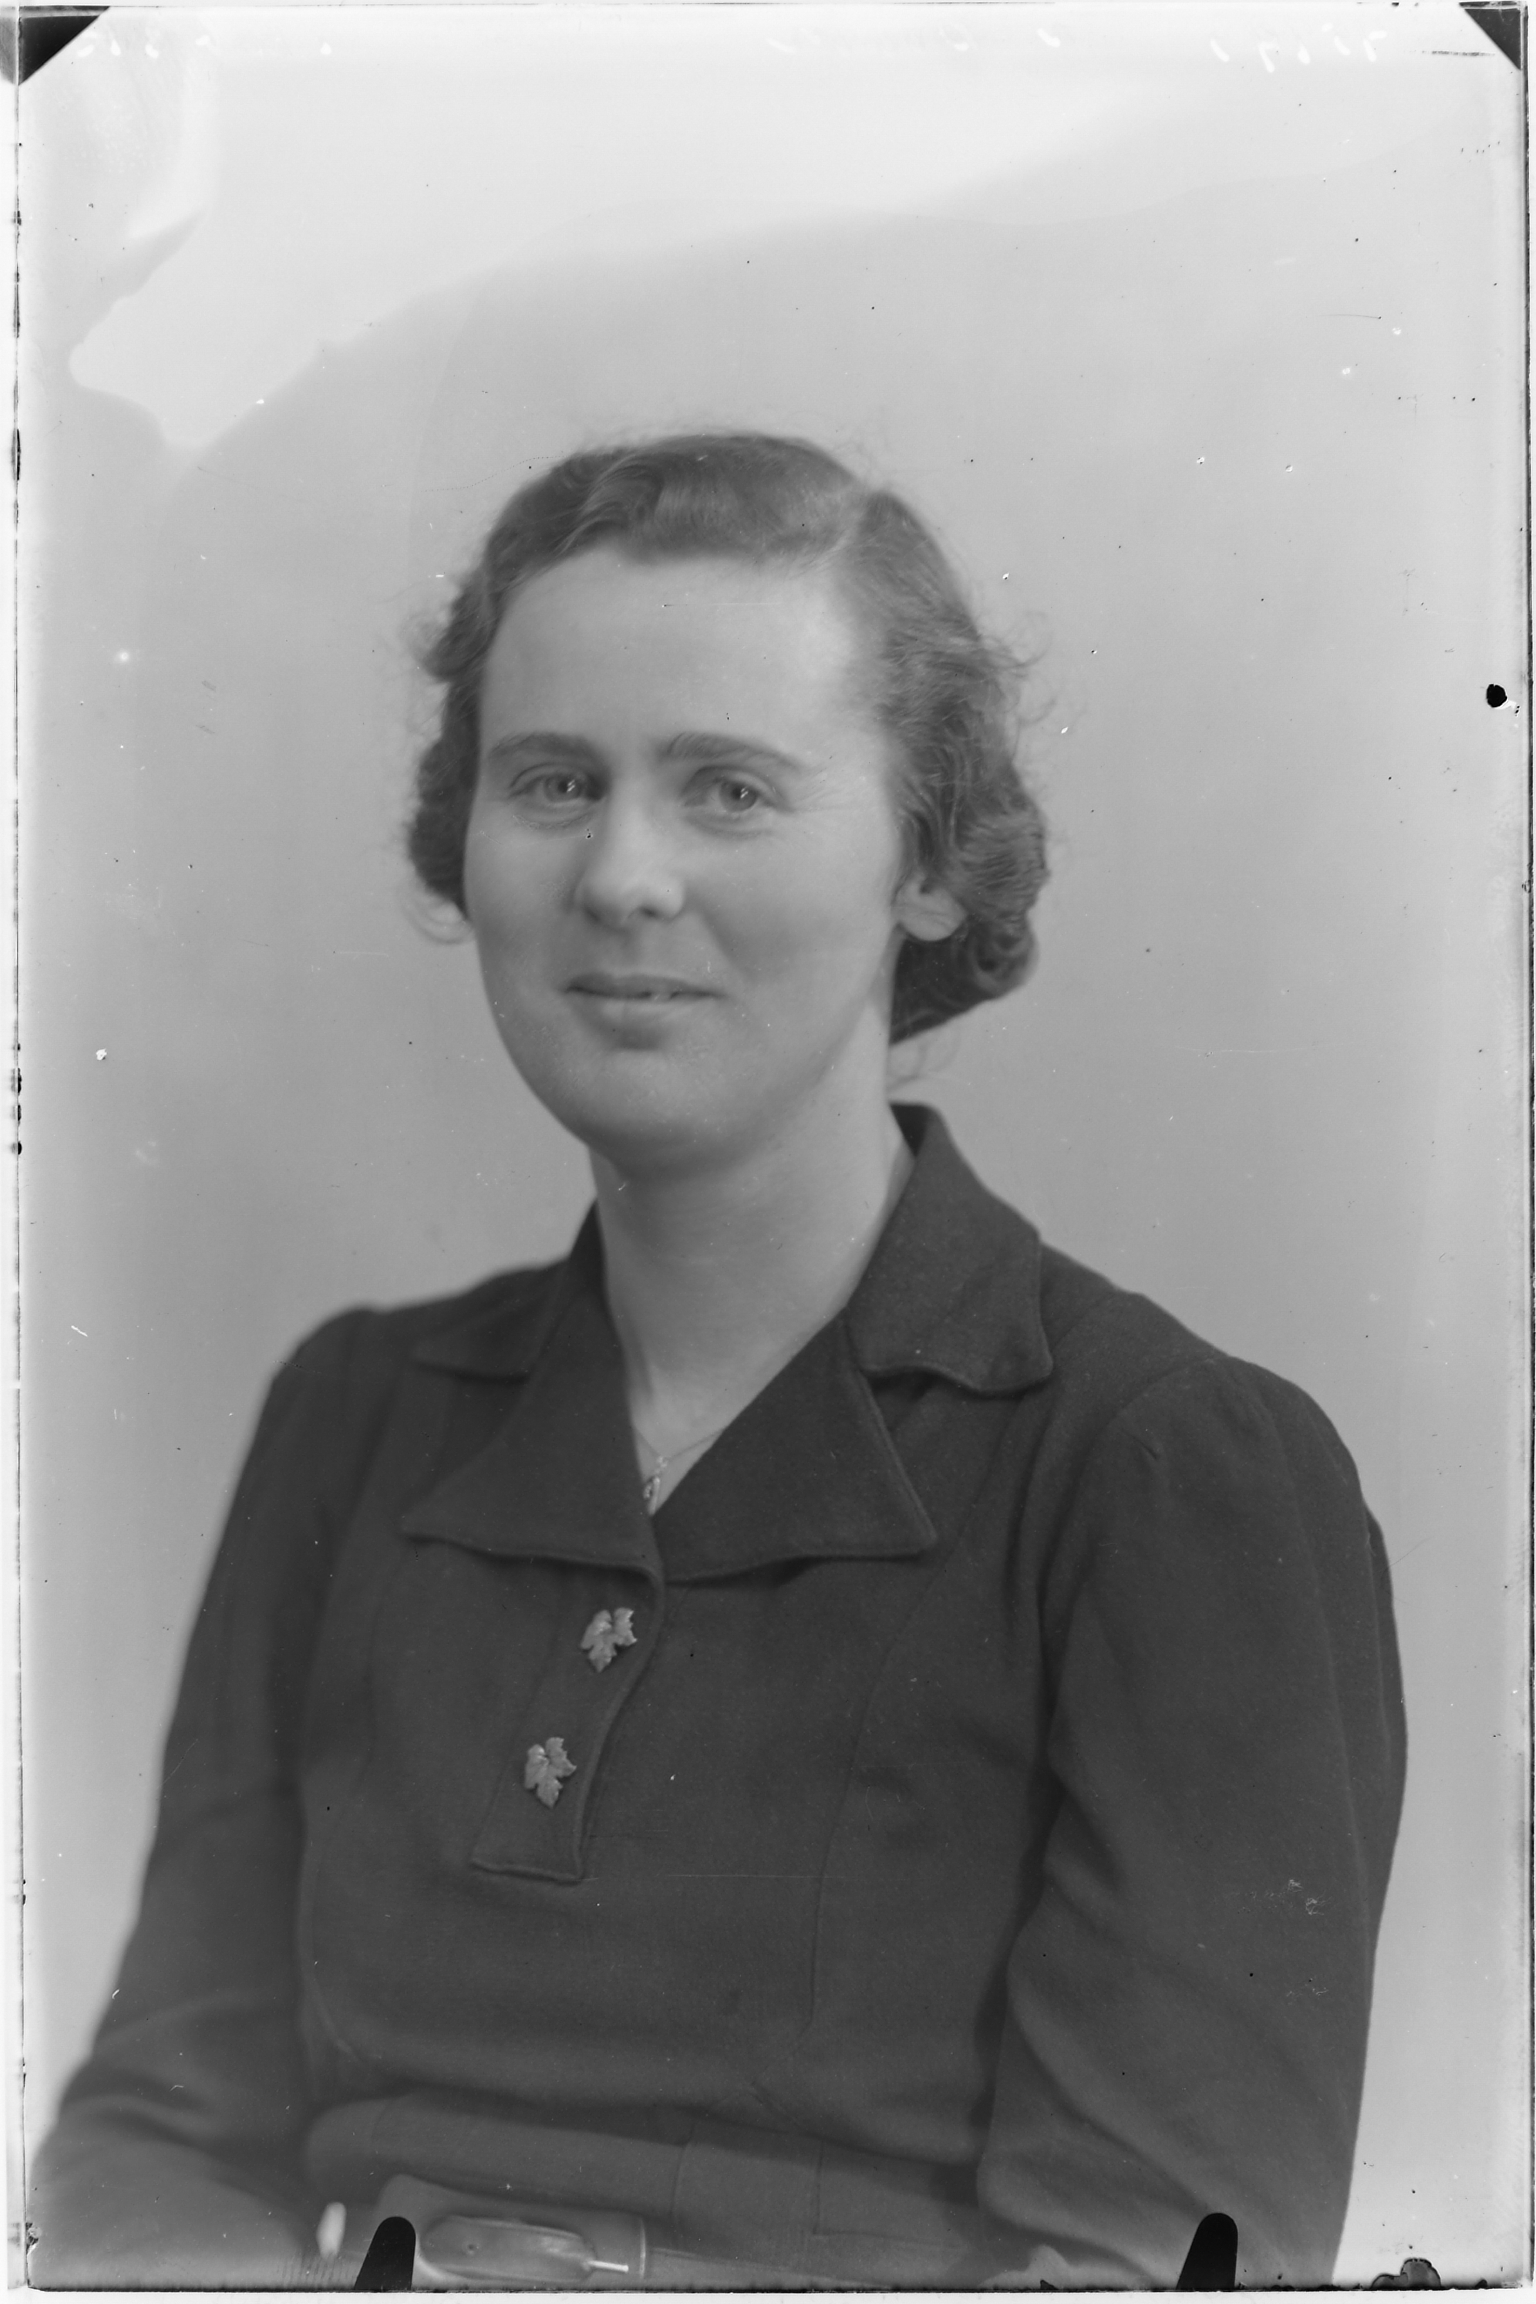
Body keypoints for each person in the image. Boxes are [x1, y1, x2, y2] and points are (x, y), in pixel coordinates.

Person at [31, 433, 1406, 2290]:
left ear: (929, 864)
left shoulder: (1160, 1470)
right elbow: (152, 2144)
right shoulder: (357, 1417)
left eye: (731, 789)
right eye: (552, 781)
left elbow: (1154, 2260)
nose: (622, 874)